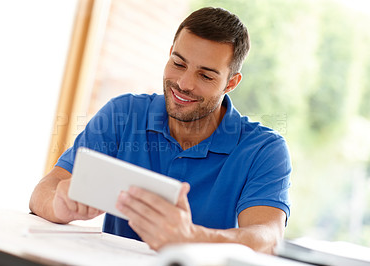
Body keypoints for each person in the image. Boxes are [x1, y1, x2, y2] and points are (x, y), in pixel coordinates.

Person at [29, 7, 291, 254]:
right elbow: (44, 190)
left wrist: (191, 237)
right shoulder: (123, 114)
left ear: (230, 83)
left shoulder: (263, 150)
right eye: (178, 63)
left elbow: (268, 237)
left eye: (206, 76)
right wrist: (58, 206)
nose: (184, 83)